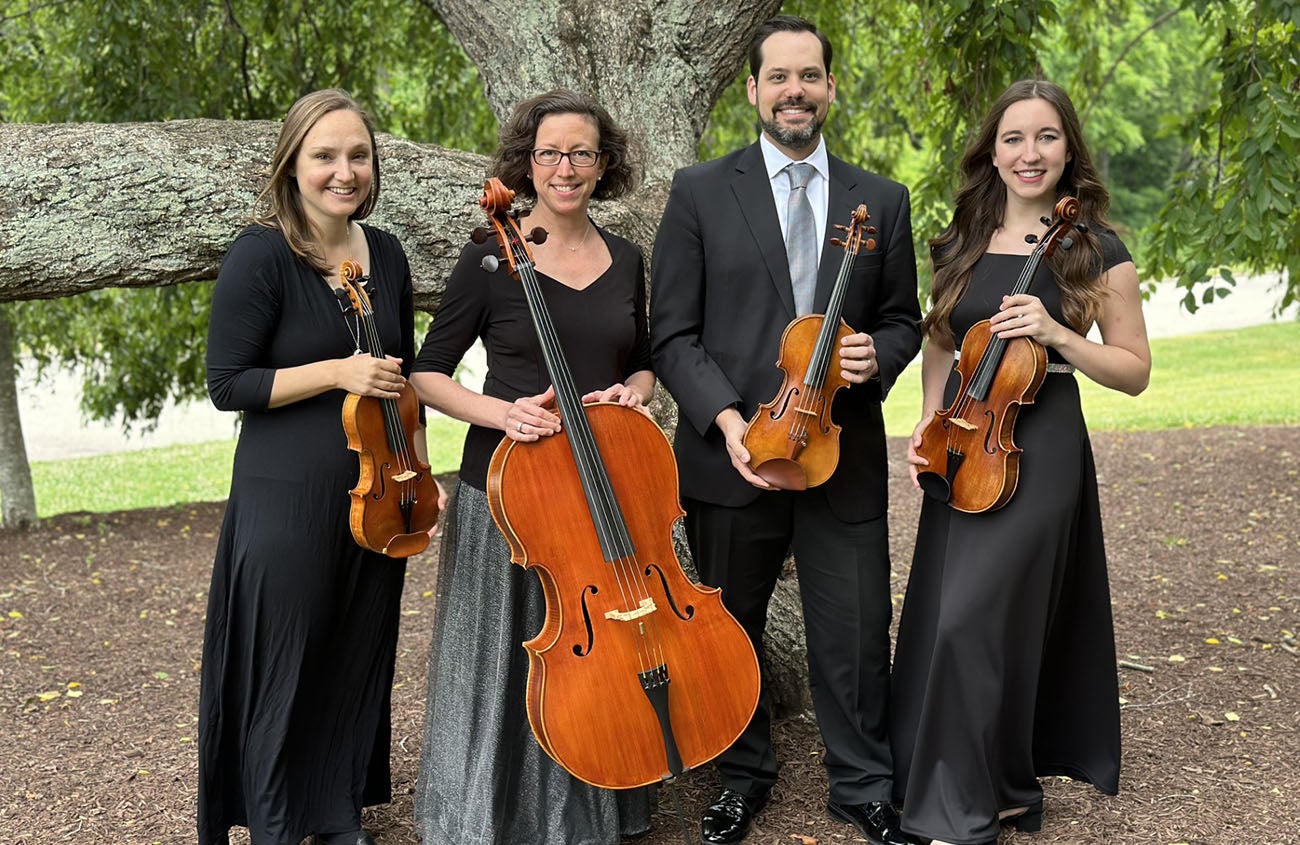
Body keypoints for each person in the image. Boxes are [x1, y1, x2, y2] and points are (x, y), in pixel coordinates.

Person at [650, 16, 922, 845]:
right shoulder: (700, 190)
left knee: (856, 626)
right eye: (780, 77)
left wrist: (882, 353)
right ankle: (741, 778)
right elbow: (672, 333)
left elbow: (905, 319)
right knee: (732, 626)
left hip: (840, 453)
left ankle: (864, 785)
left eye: (810, 75)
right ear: (753, 89)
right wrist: (730, 423)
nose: (795, 90)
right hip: (732, 454)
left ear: (831, 87)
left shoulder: (882, 197)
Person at [890, 79, 1152, 845]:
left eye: (1045, 137)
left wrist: (1060, 334)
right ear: (992, 152)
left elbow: (1134, 370)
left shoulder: (1096, 249)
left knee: (975, 618)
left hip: (1041, 448)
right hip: (965, 441)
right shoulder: (961, 239)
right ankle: (1001, 787)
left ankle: (959, 812)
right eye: (1014, 138)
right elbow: (943, 341)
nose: (1029, 153)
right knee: (950, 617)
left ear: (1068, 148)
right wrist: (929, 421)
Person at [409, 89, 655, 844]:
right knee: (500, 659)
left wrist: (633, 393)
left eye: (581, 152)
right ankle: (481, 814)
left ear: (603, 163)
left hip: (600, 488)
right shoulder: (489, 258)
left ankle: (592, 808)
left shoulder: (628, 260)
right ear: (527, 162)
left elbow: (645, 364)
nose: (565, 167)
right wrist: (504, 413)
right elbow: (428, 372)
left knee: (594, 656)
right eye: (550, 153)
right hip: (508, 491)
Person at [199, 88, 436, 845]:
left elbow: (403, 379)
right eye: (326, 156)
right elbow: (227, 383)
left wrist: (420, 474)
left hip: (378, 489)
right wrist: (338, 370)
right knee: (286, 658)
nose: (345, 171)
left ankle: (334, 813)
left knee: (356, 649)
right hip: (286, 493)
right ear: (293, 165)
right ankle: (273, 822)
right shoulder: (262, 252)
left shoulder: (386, 253)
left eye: (358, 155)